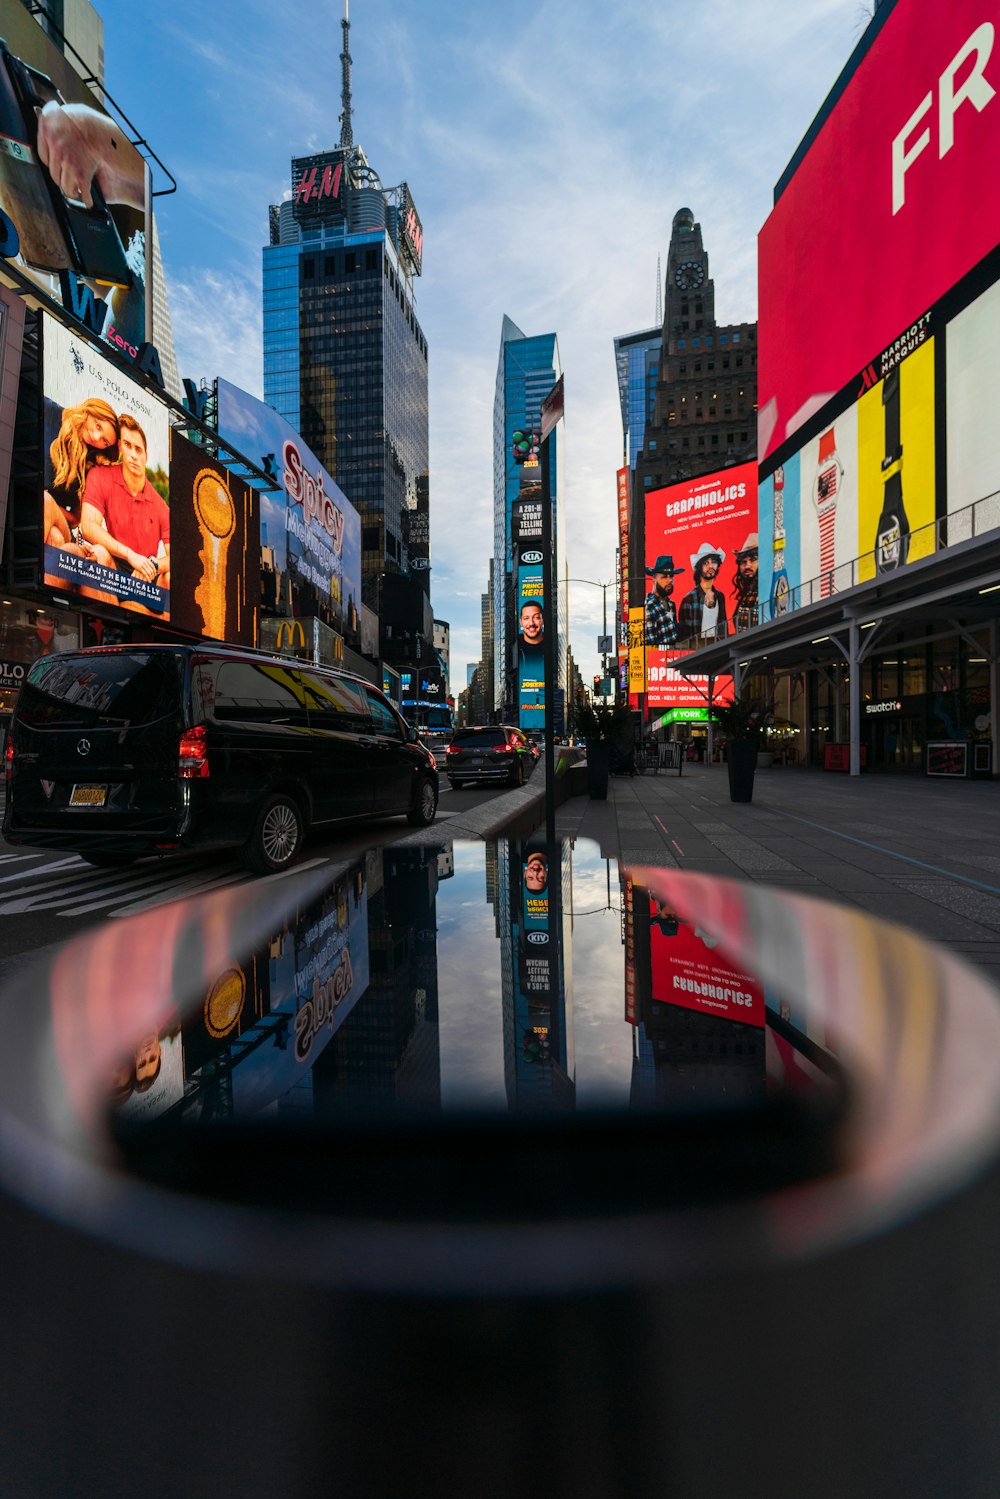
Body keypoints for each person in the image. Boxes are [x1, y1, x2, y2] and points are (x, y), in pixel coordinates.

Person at [80, 414, 170, 589]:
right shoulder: (100, 475)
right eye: (128, 446)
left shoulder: (161, 506)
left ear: (146, 456)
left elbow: (176, 558)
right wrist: (130, 556)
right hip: (116, 566)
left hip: (146, 576)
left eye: (138, 449)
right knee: (98, 553)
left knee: (170, 578)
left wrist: (152, 565)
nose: (134, 455)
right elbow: (88, 526)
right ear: (120, 446)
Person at [42, 398, 119, 566]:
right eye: (98, 426)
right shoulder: (50, 413)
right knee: (54, 536)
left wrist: (52, 509)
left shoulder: (90, 466)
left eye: (104, 442)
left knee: (44, 503)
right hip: (24, 505)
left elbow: (77, 519)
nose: (96, 437)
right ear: (90, 411)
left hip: (55, 519)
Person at [678, 542, 728, 642]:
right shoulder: (689, 599)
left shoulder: (720, 596)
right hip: (699, 652)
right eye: (706, 563)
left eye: (713, 562)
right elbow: (685, 637)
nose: (710, 566)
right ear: (699, 567)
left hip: (719, 649)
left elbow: (724, 628)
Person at [643, 555, 685, 647]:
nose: (669, 580)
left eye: (671, 576)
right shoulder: (650, 606)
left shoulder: (671, 604)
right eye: (664, 577)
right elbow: (651, 643)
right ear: (654, 580)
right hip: (659, 658)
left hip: (676, 656)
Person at [732, 532, 759, 633]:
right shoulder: (746, 594)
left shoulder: (768, 590)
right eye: (743, 562)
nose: (747, 566)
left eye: (753, 560)